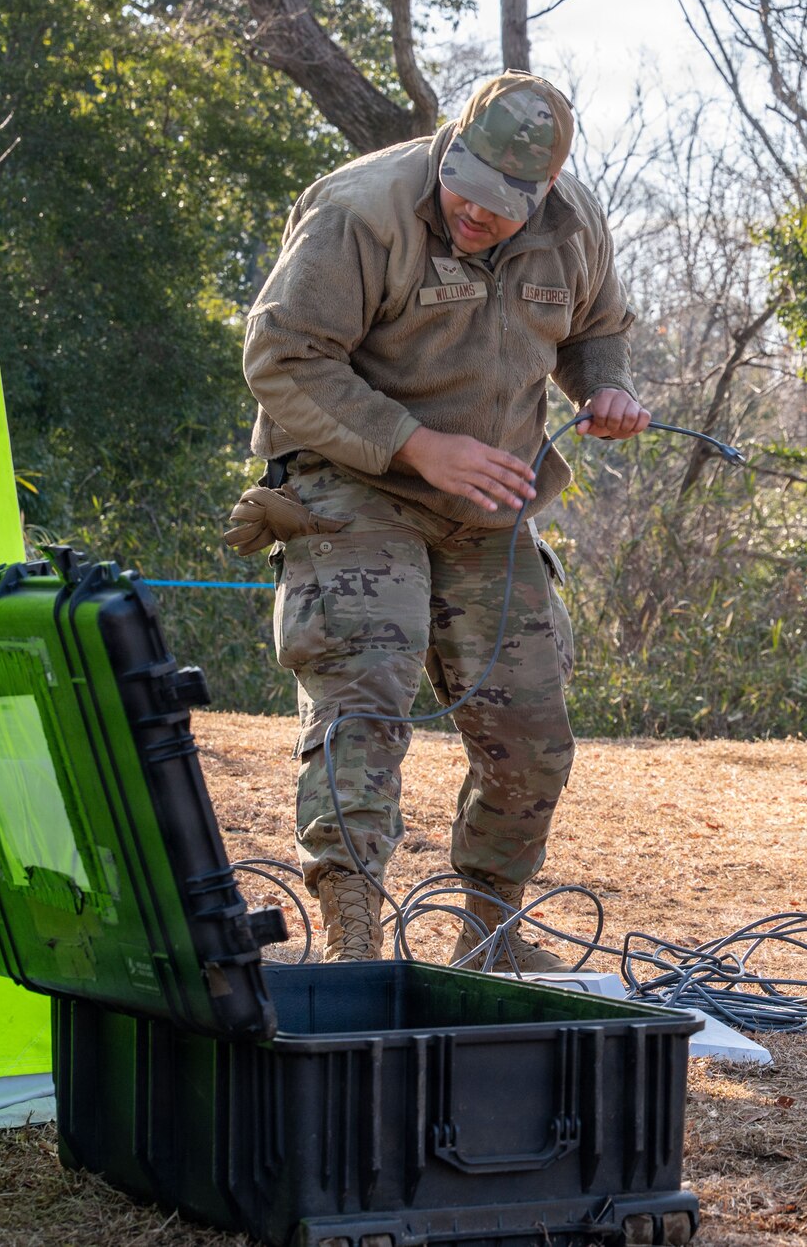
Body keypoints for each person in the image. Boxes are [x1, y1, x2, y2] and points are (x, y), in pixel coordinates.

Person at [225, 71, 649, 965]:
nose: (474, 212)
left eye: (502, 205)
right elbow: (283, 358)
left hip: (489, 499)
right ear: (450, 145)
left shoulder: (575, 225)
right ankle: (353, 932)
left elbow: (596, 328)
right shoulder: (358, 210)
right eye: (465, 186)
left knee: (532, 728)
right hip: (353, 480)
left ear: (542, 195)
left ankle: (491, 932)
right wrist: (415, 443)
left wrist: (605, 385)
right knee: (364, 692)